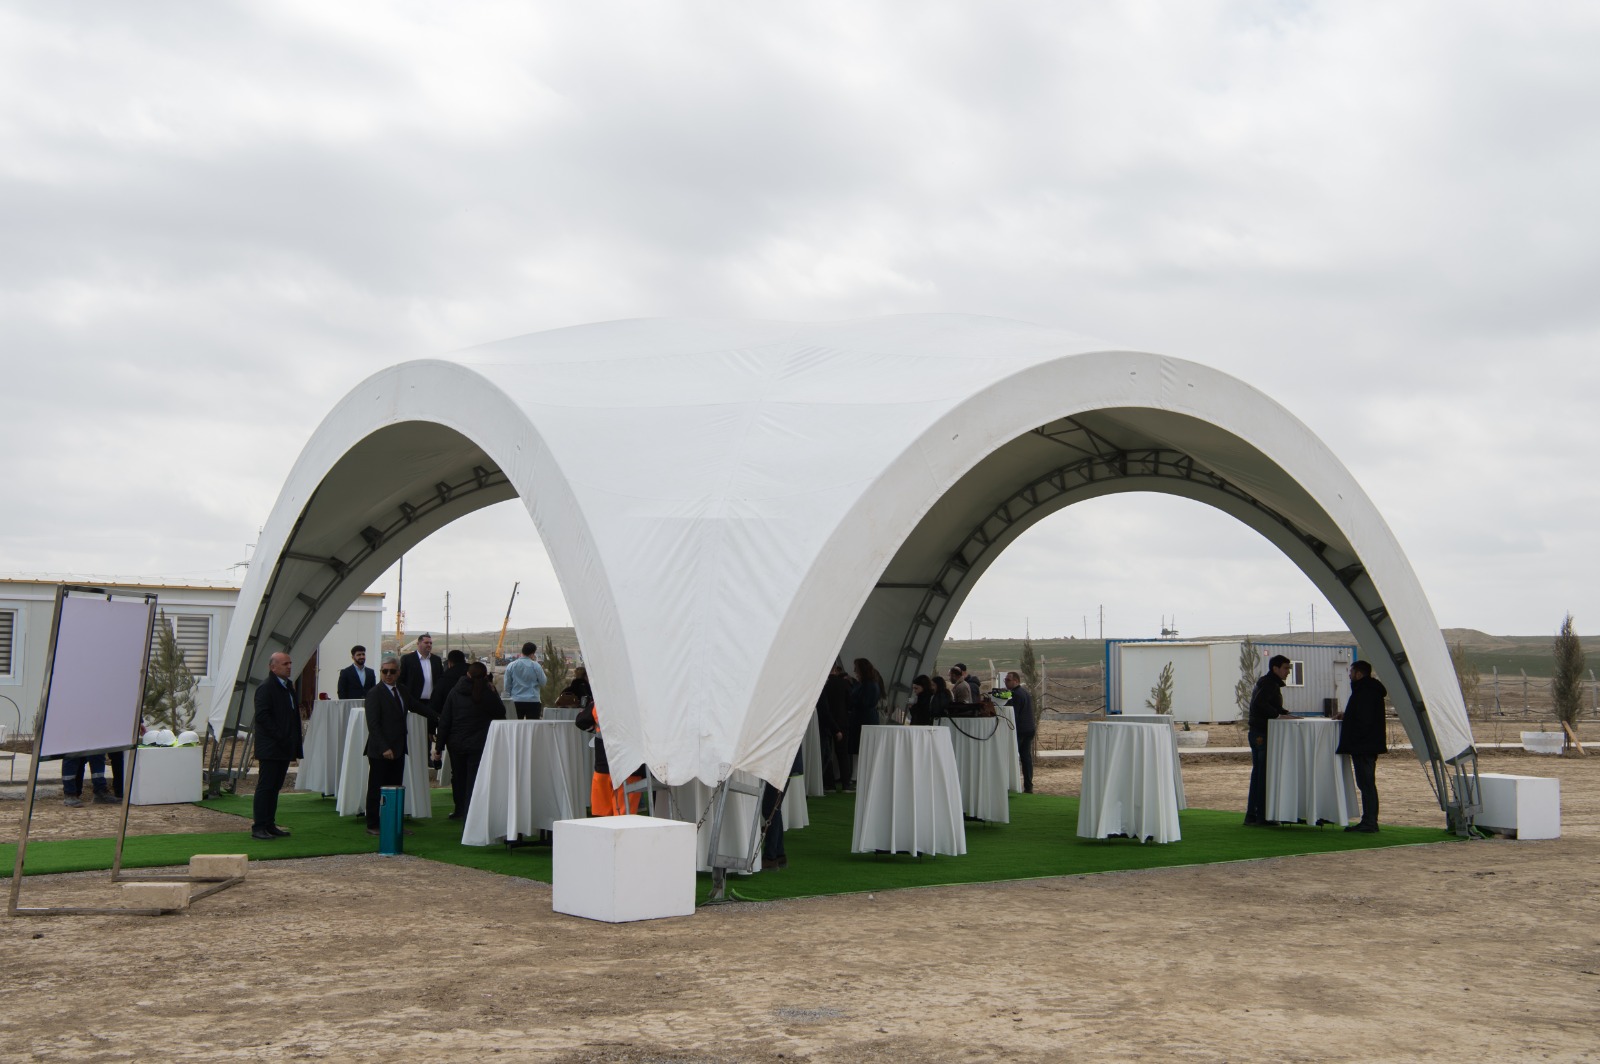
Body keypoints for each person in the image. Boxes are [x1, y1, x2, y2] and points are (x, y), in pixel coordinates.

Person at [437, 660, 506, 820]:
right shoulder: (487, 693)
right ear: (485, 676)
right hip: (479, 742)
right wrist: (493, 691)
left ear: (467, 674)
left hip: (456, 741)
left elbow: (445, 720)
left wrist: (439, 747)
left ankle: (460, 809)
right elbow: (500, 712)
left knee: (459, 777)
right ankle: (473, 811)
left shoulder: (455, 692)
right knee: (475, 778)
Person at [363, 658, 420, 836]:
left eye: (392, 671)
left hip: (398, 747)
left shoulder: (401, 690)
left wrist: (439, 717)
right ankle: (373, 824)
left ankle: (394, 824)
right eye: (384, 671)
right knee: (376, 787)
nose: (388, 675)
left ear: (398, 673)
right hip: (381, 750)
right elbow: (373, 724)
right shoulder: (375, 693)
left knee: (395, 788)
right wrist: (384, 747)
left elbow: (416, 706)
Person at [252, 651, 302, 840]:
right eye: (284, 664)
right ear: (273, 667)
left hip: (283, 746)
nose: (289, 666)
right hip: (271, 747)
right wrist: (280, 736)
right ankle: (258, 826)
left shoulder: (287, 686)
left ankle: (269, 824)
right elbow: (262, 716)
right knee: (266, 786)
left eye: (290, 663)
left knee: (275, 787)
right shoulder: (267, 687)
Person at [1336, 660, 1388, 833]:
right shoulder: (1369, 690)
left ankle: (1370, 822)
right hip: (1367, 745)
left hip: (1364, 746)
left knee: (1366, 784)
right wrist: (1348, 716)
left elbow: (1364, 720)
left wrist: (1354, 739)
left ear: (1358, 673)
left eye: (1351, 672)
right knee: (1366, 784)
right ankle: (1369, 820)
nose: (1350, 675)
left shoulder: (1365, 692)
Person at [1244, 654, 1295, 826]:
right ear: (1275, 668)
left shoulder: (1268, 683)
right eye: (1286, 668)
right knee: (1262, 774)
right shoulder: (1269, 684)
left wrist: (1284, 712)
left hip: (1258, 731)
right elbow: (1260, 704)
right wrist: (1278, 715)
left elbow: (1267, 703)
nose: (1288, 671)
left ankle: (1253, 815)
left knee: (1259, 773)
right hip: (1262, 733)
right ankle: (1260, 816)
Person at [574, 705, 642, 815]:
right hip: (629, 769)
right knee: (624, 819)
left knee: (603, 819)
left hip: (603, 768)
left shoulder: (600, 702)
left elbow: (581, 720)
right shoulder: (637, 702)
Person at [845, 657, 881, 788]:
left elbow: (863, 702)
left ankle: (857, 776)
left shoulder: (868, 685)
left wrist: (852, 700)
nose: (854, 670)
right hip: (864, 719)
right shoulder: (869, 684)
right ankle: (856, 775)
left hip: (863, 719)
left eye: (856, 668)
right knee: (859, 749)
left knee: (860, 748)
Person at [815, 660, 851, 791]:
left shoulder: (823, 686)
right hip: (842, 722)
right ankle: (846, 783)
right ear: (836, 669)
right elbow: (850, 703)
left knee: (827, 754)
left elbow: (823, 708)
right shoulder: (844, 684)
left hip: (826, 722)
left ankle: (829, 783)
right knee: (843, 755)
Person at [398, 633, 447, 720]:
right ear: (418, 644)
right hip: (414, 703)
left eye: (431, 643)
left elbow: (441, 680)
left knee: (430, 729)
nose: (429, 645)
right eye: (426, 643)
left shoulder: (436, 660)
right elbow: (401, 680)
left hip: (432, 703)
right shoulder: (408, 659)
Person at [1005, 671, 1036, 793]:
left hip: (1020, 730)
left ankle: (1012, 785)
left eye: (1008, 680)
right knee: (1026, 758)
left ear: (1016, 681)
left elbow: (1014, 715)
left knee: (1012, 758)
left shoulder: (1015, 694)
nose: (1006, 682)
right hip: (1029, 728)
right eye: (1005, 680)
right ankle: (1028, 787)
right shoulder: (1024, 692)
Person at [504, 641, 547, 720]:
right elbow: (543, 682)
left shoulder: (511, 665)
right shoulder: (536, 666)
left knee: (515, 727)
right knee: (532, 728)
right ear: (533, 653)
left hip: (515, 700)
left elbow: (507, 685)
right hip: (533, 701)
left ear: (522, 651)